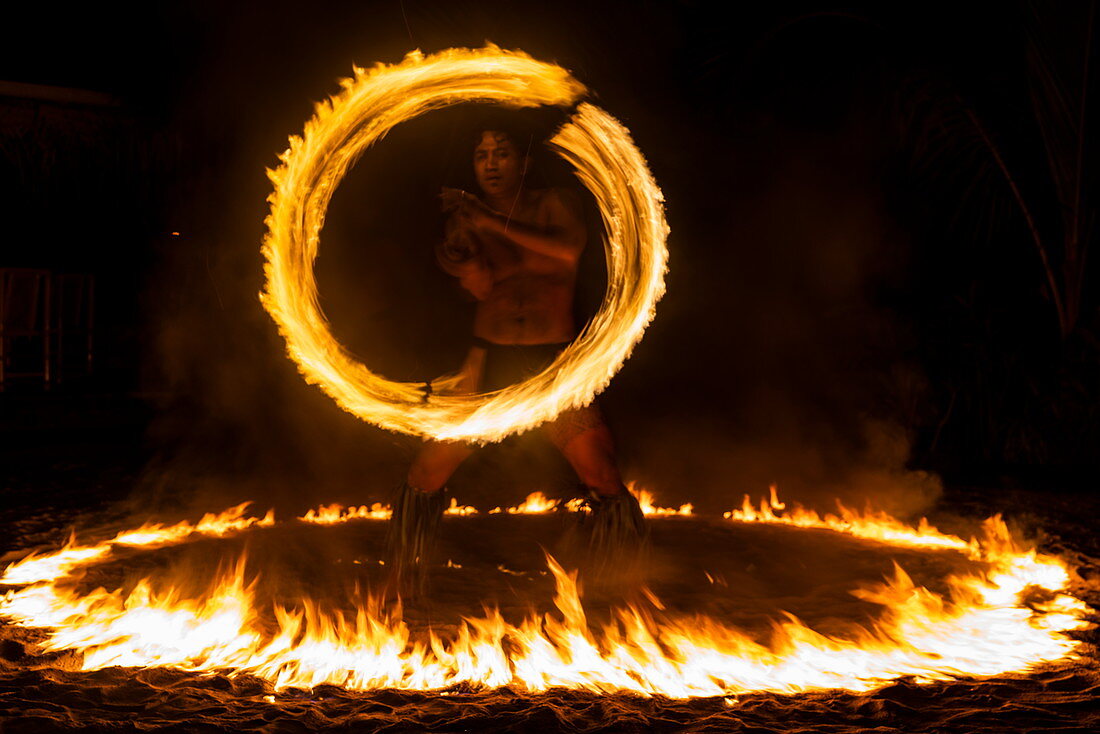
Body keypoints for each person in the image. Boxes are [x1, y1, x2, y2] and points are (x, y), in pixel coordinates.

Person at [387, 123, 646, 590]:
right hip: (488, 365)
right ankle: (405, 575)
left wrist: (490, 223)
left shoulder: (556, 204)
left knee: (601, 474)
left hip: (552, 368)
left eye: (501, 153)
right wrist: (460, 255)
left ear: (523, 162)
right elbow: (480, 287)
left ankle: (620, 580)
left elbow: (567, 252)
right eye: (481, 153)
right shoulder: (467, 220)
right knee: (426, 470)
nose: (490, 163)